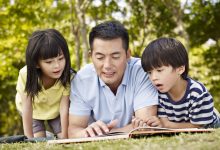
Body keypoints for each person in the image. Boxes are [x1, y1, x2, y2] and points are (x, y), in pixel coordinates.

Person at [68, 20, 159, 138]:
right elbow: (73, 131)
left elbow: (144, 127)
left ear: (127, 55)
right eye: (100, 57)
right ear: (91, 56)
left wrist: (103, 134)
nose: (107, 65)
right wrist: (86, 132)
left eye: (115, 56)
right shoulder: (82, 80)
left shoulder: (143, 71)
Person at [141, 37, 220, 128]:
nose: (153, 78)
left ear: (180, 69)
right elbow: (163, 122)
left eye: (159, 70)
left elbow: (198, 126)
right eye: (149, 72)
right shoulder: (160, 94)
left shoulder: (197, 93)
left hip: (211, 126)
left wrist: (167, 125)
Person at [15, 29, 73, 139]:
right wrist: (29, 139)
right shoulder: (25, 74)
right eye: (49, 62)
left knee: (63, 136)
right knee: (39, 140)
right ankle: (46, 135)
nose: (57, 65)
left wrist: (65, 138)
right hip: (34, 111)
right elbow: (27, 108)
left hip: (55, 111)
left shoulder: (68, 75)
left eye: (60, 59)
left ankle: (52, 136)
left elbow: (64, 108)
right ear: (37, 63)